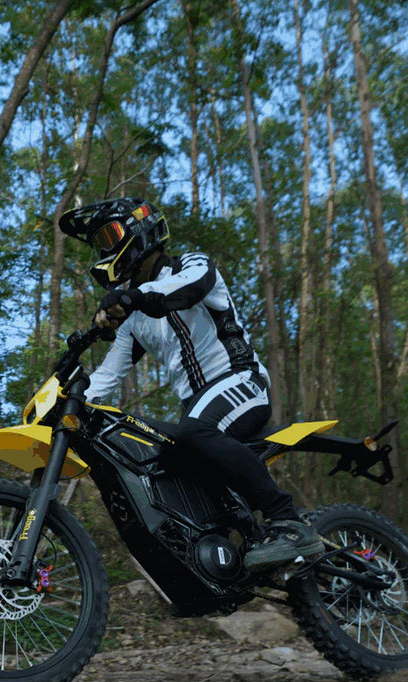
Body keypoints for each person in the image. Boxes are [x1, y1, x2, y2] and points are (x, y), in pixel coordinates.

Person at [58, 196, 323, 572]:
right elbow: (107, 377)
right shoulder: (134, 322)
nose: (105, 249)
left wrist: (130, 297)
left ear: (140, 231)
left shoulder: (192, 266)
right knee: (154, 448)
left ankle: (288, 520)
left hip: (242, 382)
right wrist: (71, 401)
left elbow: (180, 292)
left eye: (109, 236)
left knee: (194, 431)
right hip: (199, 408)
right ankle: (224, 545)